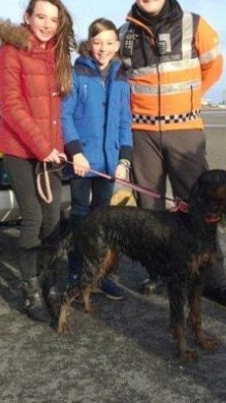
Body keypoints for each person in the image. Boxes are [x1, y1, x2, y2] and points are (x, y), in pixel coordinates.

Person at [119, 0, 226, 309]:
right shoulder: (123, 33)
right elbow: (118, 80)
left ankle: (213, 282)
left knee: (200, 207)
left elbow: (214, 65)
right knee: (150, 209)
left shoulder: (194, 24)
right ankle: (159, 273)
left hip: (185, 130)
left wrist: (192, 98)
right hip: (142, 134)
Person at [0, 0, 75, 324]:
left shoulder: (57, 53)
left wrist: (60, 149)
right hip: (19, 149)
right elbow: (11, 106)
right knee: (32, 218)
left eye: (54, 20)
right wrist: (43, 148)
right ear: (27, 16)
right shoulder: (11, 51)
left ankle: (50, 283)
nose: (47, 25)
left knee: (53, 218)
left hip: (51, 151)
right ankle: (31, 292)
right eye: (41, 17)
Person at [61, 18, 133, 301]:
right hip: (82, 162)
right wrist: (75, 152)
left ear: (117, 44)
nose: (103, 48)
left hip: (109, 163)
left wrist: (124, 160)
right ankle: (76, 274)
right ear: (90, 44)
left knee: (105, 222)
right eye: (98, 42)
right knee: (80, 217)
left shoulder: (121, 76)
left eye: (109, 43)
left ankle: (102, 276)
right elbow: (65, 115)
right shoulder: (77, 72)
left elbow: (125, 122)